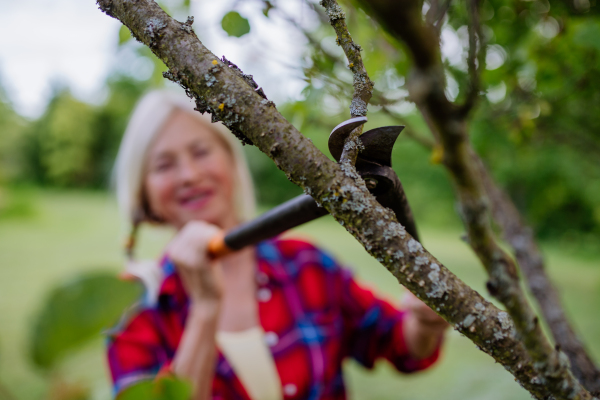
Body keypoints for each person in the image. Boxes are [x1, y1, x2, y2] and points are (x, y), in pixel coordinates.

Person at [107, 90, 449, 400]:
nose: (189, 175)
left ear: (230, 161)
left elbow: (399, 342)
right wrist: (205, 308)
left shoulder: (306, 264)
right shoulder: (130, 308)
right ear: (143, 192)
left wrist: (427, 320)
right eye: (164, 164)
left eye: (200, 152)